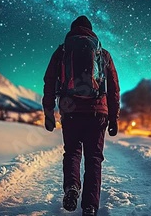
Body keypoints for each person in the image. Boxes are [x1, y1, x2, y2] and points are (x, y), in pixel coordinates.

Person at [43, 15, 120, 216]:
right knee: (94, 158)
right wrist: (113, 118)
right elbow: (113, 88)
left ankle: (71, 187)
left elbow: (49, 81)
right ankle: (90, 206)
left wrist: (49, 112)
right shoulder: (103, 54)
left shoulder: (62, 51)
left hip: (70, 111)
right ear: (91, 31)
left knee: (72, 153)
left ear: (72, 30)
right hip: (97, 113)